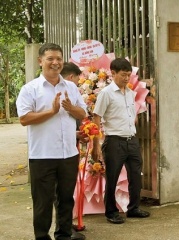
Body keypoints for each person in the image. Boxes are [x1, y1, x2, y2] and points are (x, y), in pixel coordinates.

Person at [16, 43, 87, 240]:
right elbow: (24, 119)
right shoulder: (30, 89)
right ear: (40, 61)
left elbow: (83, 113)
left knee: (66, 199)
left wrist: (71, 108)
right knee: (43, 202)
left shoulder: (71, 87)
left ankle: (64, 234)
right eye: (50, 59)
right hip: (42, 156)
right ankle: (41, 237)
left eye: (59, 58)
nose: (55, 63)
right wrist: (52, 112)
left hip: (68, 154)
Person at [92, 58, 150, 224]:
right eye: (123, 75)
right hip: (114, 141)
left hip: (131, 140)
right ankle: (111, 212)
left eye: (128, 75)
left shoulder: (130, 93)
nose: (126, 78)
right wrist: (97, 144)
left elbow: (132, 115)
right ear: (113, 73)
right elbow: (97, 117)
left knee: (135, 176)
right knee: (112, 177)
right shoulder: (106, 93)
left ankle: (134, 208)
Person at [59, 62, 87, 240]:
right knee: (60, 193)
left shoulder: (72, 93)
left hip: (70, 147)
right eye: (78, 79)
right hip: (53, 152)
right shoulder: (60, 93)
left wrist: (77, 134)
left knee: (66, 192)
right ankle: (64, 228)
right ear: (71, 78)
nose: (78, 83)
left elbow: (82, 113)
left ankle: (66, 226)